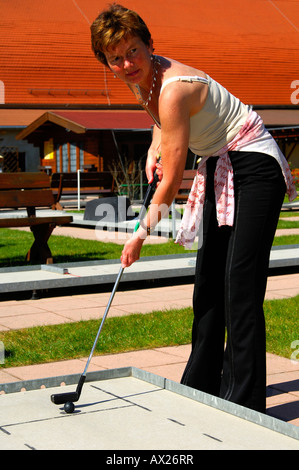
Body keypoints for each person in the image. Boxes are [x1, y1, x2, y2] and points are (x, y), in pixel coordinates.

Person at [90, 3, 297, 413]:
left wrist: (139, 235)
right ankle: (202, 383)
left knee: (240, 283)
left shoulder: (174, 87)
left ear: (150, 45)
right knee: (207, 282)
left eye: (133, 50)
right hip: (222, 160)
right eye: (115, 58)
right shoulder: (143, 77)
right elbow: (161, 116)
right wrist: (154, 145)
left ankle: (243, 399)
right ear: (106, 61)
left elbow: (169, 183)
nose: (127, 63)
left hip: (253, 164)